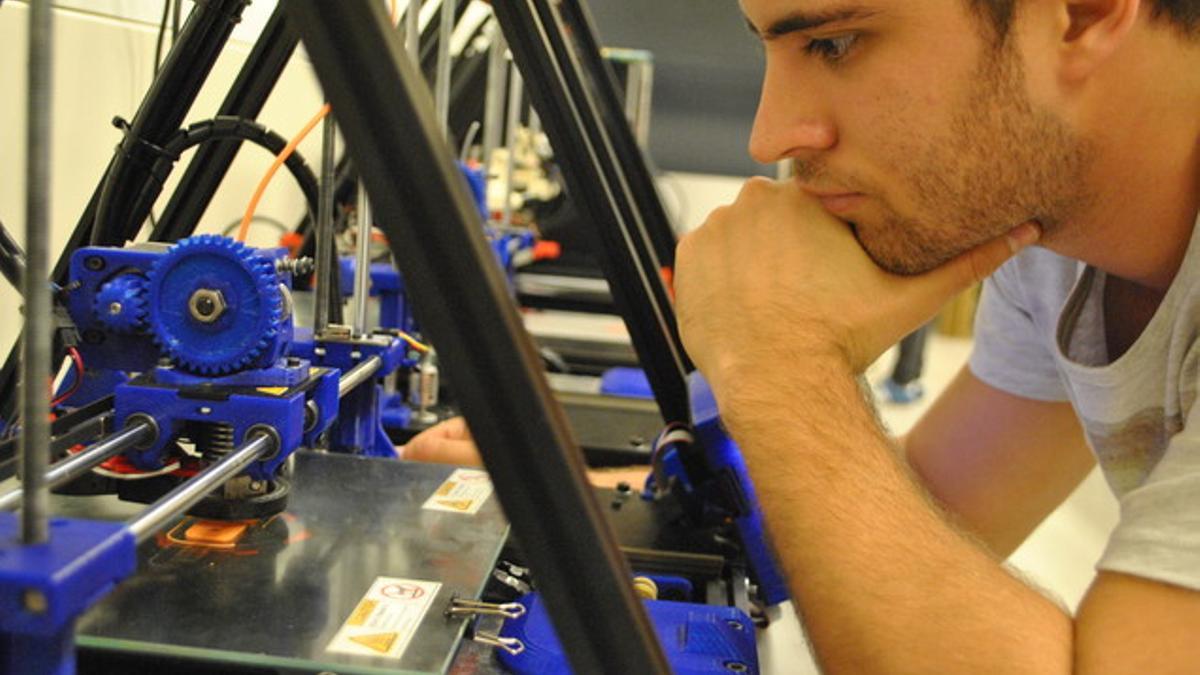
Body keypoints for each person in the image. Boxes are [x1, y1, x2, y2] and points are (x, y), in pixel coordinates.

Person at [409, 0, 1200, 670]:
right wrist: (558, 494)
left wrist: (782, 358)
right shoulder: (1054, 255)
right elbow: (924, 521)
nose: (769, 135)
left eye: (833, 42)